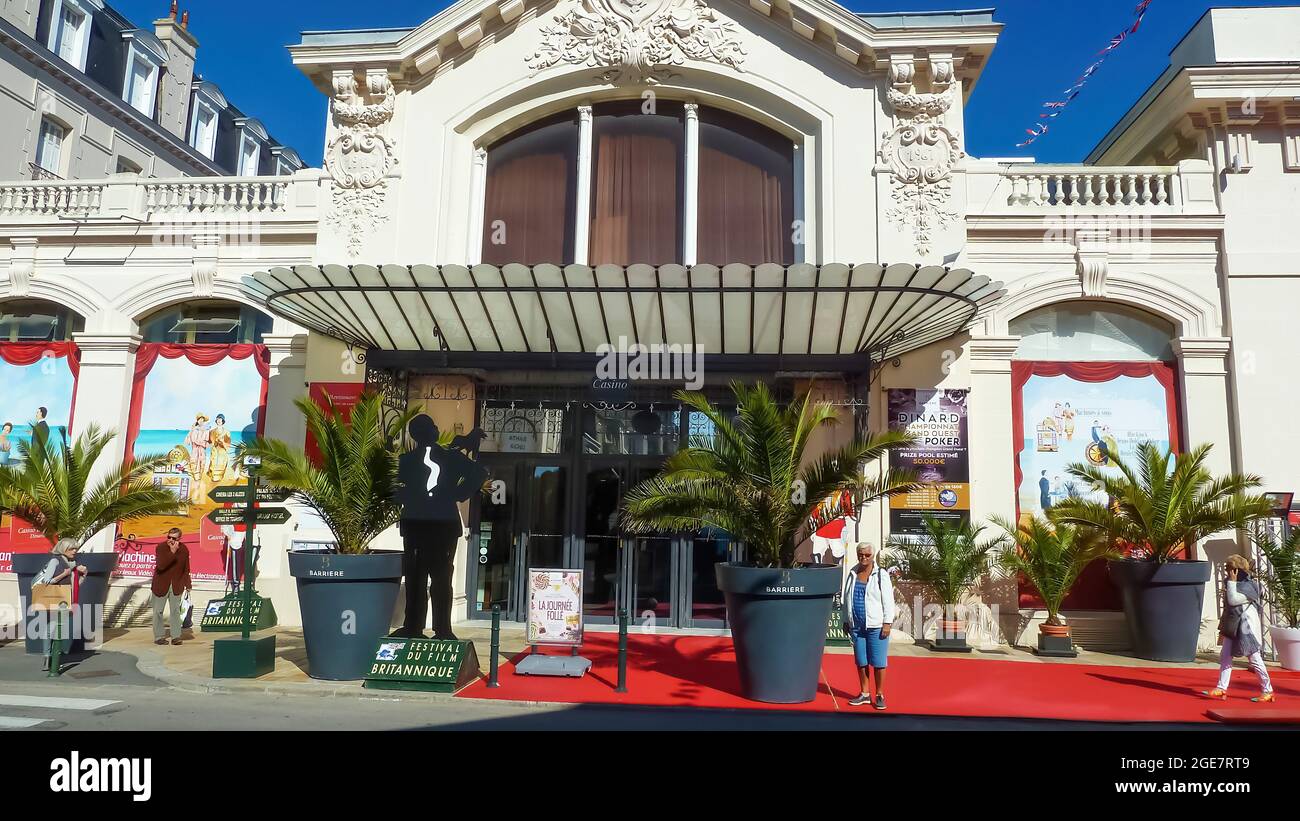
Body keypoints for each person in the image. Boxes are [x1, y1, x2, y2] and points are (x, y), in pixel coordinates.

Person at [394, 416, 487, 640]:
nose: (436, 430)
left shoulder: (450, 457)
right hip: (416, 524)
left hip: (442, 525)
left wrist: (458, 494)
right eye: (432, 428)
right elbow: (395, 488)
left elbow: (479, 473)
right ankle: (413, 627)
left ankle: (443, 629)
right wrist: (409, 497)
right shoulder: (406, 460)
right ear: (421, 433)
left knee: (441, 578)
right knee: (415, 576)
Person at [1203, 554, 1274, 703]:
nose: (1226, 571)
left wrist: (1232, 582)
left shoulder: (1250, 587)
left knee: (1254, 658)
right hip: (1233, 625)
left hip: (1246, 627)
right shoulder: (1232, 583)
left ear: (1236, 570)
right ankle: (1221, 688)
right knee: (1225, 656)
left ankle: (1268, 691)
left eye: (1229, 568)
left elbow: (1233, 600)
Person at [840, 541, 895, 710]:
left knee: (878, 662)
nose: (863, 558)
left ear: (873, 556)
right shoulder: (852, 573)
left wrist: (887, 623)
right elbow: (845, 598)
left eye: (867, 555)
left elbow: (888, 601)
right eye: (860, 555)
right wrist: (845, 620)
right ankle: (864, 693)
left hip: (876, 625)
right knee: (861, 661)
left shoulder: (881, 575)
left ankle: (879, 694)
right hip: (856, 625)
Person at [33, 539, 86, 671]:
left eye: (76, 549)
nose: (75, 551)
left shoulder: (71, 563)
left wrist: (83, 575)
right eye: (72, 548)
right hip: (54, 599)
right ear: (63, 549)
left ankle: (50, 658)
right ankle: (48, 657)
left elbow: (73, 587)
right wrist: (64, 574)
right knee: (52, 629)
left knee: (57, 629)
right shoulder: (55, 561)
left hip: (64, 601)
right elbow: (46, 582)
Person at [151, 528, 192, 646]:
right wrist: (172, 552)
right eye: (168, 537)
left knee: (175, 611)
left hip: (176, 585)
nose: (170, 540)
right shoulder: (161, 547)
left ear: (179, 539)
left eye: (173, 538)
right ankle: (159, 636)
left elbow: (186, 568)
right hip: (160, 585)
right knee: (158, 611)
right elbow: (161, 566)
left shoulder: (184, 549)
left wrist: (188, 584)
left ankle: (176, 636)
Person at [208, 414, 232, 482]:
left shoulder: (227, 432)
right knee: (213, 465)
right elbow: (209, 443)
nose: (219, 421)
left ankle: (219, 479)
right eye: (217, 419)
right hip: (214, 452)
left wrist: (223, 442)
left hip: (222, 452)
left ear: (223, 421)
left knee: (221, 466)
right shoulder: (212, 431)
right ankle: (212, 477)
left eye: (220, 419)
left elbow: (228, 444)